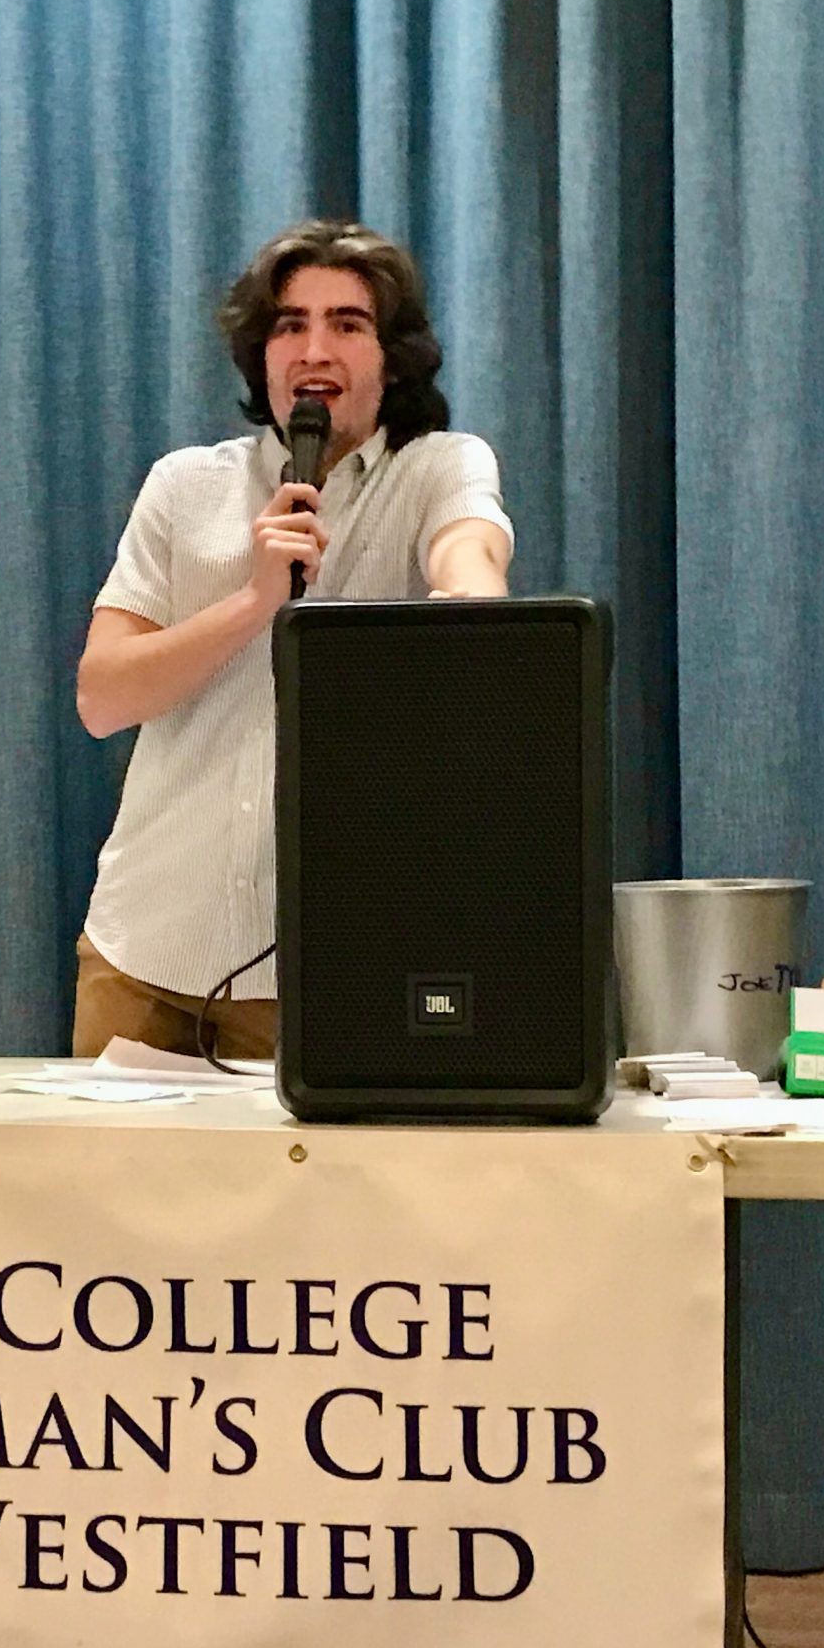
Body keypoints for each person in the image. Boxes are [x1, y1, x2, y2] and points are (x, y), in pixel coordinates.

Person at [71, 218, 513, 1061]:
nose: (315, 351)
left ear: (391, 358)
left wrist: (471, 609)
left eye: (347, 325)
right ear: (261, 356)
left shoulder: (437, 468)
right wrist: (256, 602)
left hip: (330, 970)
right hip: (142, 954)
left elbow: (471, 549)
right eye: (289, 326)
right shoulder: (185, 486)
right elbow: (102, 698)